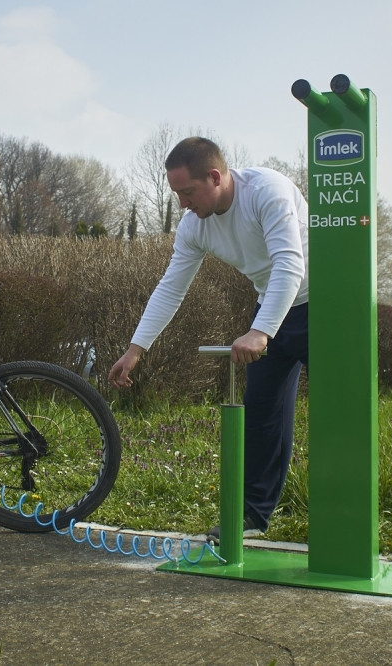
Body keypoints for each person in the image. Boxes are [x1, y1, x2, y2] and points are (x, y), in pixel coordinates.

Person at [107, 136, 309, 543]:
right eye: (176, 194)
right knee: (261, 412)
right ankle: (252, 517)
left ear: (215, 177)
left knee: (343, 415)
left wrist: (259, 331)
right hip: (273, 311)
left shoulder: (266, 191)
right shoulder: (194, 225)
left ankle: (347, 516)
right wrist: (135, 349)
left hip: (327, 306)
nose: (182, 203)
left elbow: (290, 264)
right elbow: (171, 287)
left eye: (187, 192)